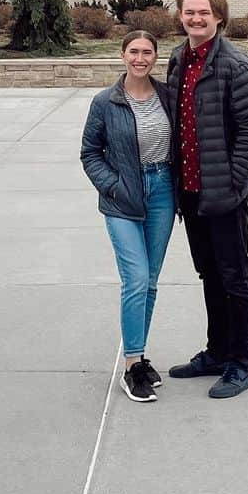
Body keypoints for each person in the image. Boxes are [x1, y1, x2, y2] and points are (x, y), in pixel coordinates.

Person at [166, 0, 248, 399]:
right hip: (190, 193)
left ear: (219, 17)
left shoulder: (234, 64)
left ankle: (240, 364)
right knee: (209, 273)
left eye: (203, 13)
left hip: (224, 195)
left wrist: (233, 183)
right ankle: (216, 352)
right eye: (189, 12)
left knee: (234, 277)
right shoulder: (178, 59)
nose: (195, 19)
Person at [81, 29, 176, 403]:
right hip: (123, 198)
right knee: (135, 277)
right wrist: (114, 186)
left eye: (147, 52)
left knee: (150, 280)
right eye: (134, 51)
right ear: (123, 55)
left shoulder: (167, 96)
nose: (140, 58)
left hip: (163, 191)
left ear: (155, 57)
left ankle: (140, 355)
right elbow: (90, 153)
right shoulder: (106, 102)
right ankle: (130, 365)